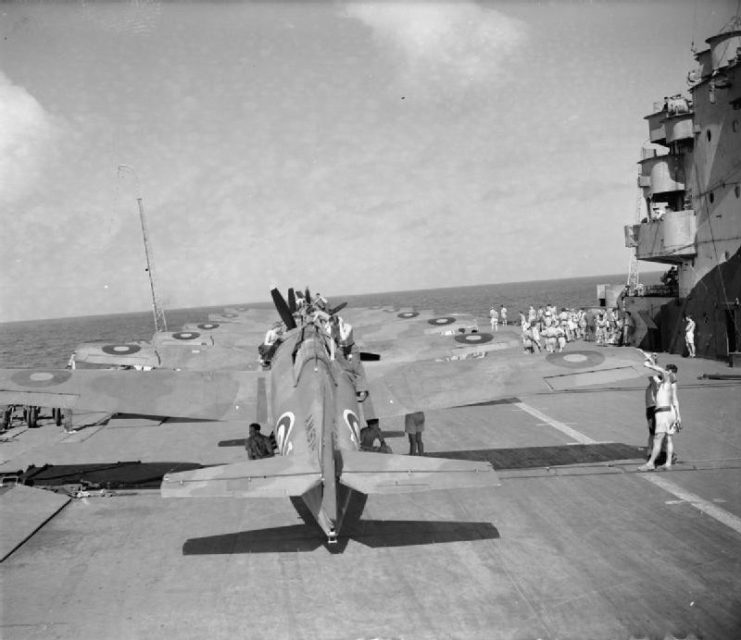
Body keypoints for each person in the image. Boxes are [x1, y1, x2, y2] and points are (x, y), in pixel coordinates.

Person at [639, 355, 681, 471]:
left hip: (662, 412)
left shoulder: (665, 381)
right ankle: (668, 463)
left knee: (658, 438)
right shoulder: (665, 384)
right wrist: (678, 417)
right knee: (668, 438)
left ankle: (651, 463)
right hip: (671, 411)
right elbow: (654, 376)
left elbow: (658, 372)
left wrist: (649, 364)